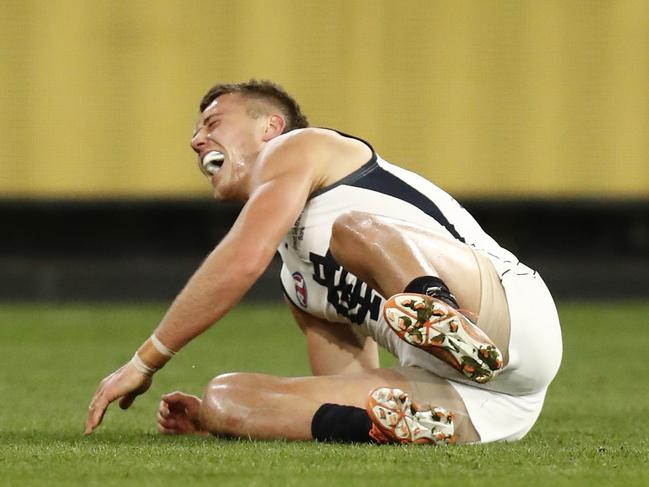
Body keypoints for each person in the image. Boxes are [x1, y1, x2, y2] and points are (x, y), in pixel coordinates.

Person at [85, 80, 562, 445]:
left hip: (508, 311)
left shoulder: (303, 146)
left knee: (356, 230)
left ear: (270, 127)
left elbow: (242, 258)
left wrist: (146, 360)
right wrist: (221, 418)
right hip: (489, 404)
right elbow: (344, 383)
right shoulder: (299, 282)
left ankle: (442, 311)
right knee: (225, 395)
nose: (195, 141)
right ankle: (391, 427)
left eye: (212, 124)